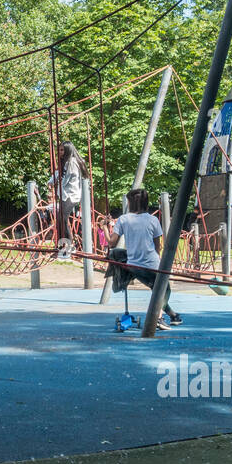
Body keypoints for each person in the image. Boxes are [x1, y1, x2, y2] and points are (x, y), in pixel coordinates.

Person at [106, 187, 183, 328]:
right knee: (164, 290)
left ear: (130, 203)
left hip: (134, 265)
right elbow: (157, 246)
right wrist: (159, 264)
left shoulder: (123, 219)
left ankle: (173, 315)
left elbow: (111, 243)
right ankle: (158, 317)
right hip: (151, 263)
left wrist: (105, 228)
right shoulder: (153, 220)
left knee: (156, 289)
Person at [56, 141, 88, 248]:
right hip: (66, 194)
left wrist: (57, 182)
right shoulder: (65, 162)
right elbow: (59, 173)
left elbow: (67, 177)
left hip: (71, 195)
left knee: (63, 219)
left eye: (61, 150)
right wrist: (53, 180)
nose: (59, 152)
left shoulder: (72, 162)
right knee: (60, 219)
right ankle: (61, 245)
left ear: (67, 150)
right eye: (59, 150)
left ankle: (68, 245)